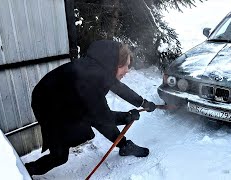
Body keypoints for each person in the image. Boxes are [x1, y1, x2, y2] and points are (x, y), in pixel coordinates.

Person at [25, 40, 156, 176]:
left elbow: (119, 88)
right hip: (49, 104)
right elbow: (103, 117)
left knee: (93, 115)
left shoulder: (101, 68)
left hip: (62, 98)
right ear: (117, 63)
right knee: (60, 156)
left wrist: (143, 103)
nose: (127, 70)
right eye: (126, 66)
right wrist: (127, 117)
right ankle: (25, 172)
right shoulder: (93, 78)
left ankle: (123, 145)